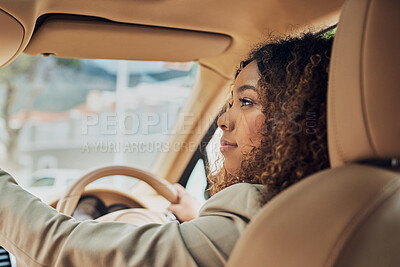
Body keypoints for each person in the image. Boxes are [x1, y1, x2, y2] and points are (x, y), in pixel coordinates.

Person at [0, 30, 334, 266]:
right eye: (230, 102)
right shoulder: (326, 204)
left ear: (297, 116)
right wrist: (198, 218)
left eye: (246, 101)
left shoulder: (259, 214)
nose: (222, 121)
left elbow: (70, 250)